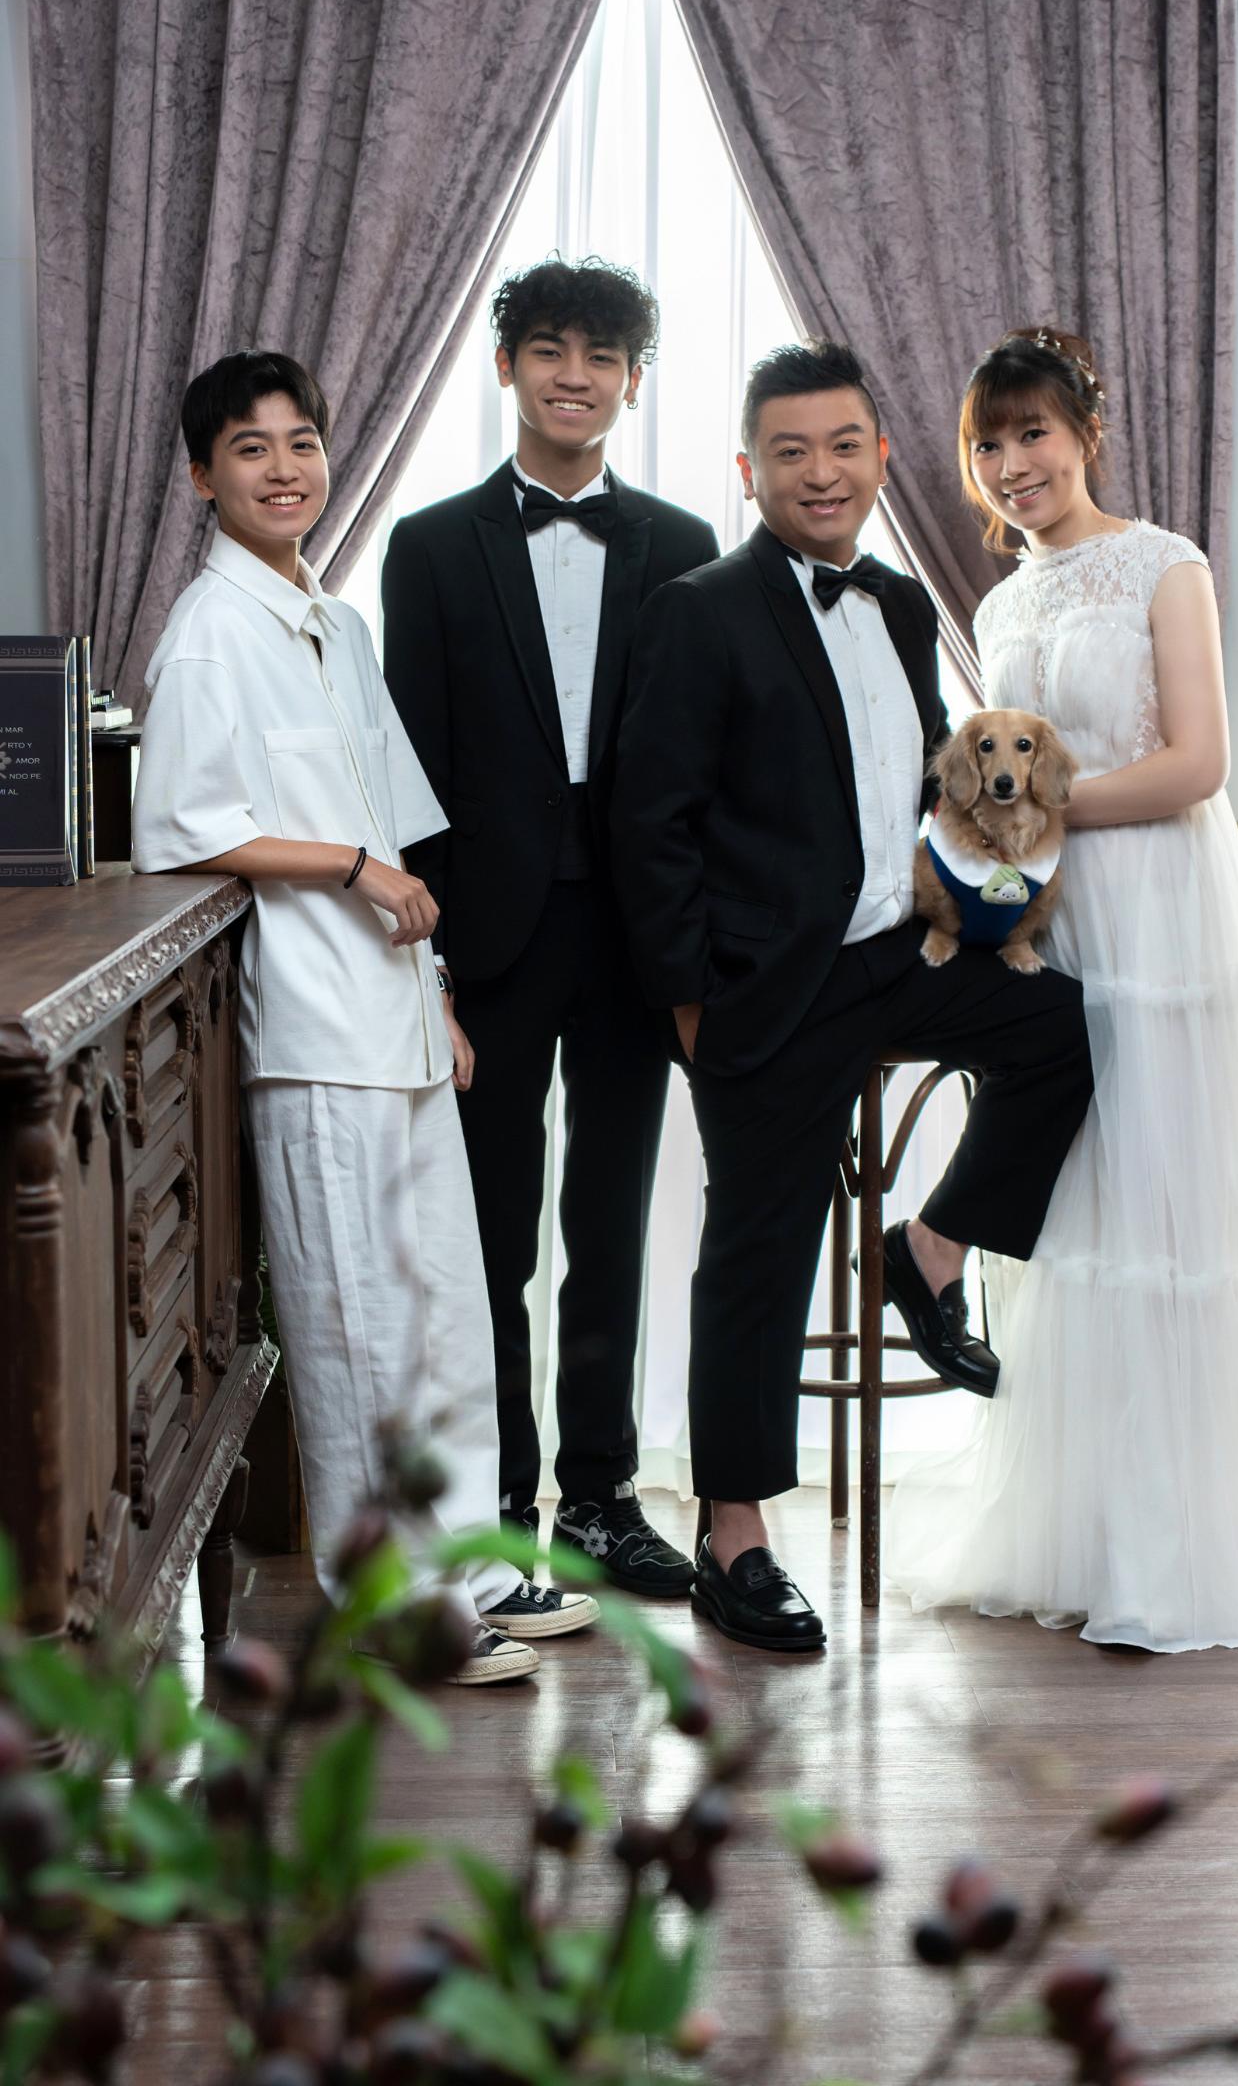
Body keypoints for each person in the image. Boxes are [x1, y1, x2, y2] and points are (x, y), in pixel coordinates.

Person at [888, 327, 1238, 1649]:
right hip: (1055, 922)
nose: (1012, 464)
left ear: (1085, 436)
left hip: (1166, 911)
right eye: (988, 445)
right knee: (1081, 1209)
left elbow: (1197, 763)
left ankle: (1190, 1548)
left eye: (1033, 434)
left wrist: (1041, 810)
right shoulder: (997, 607)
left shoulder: (1166, 565)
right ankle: (1090, 1532)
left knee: (1176, 1200)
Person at [611, 340, 1095, 1652]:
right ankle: (735, 1539)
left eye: (842, 446)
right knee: (757, 1250)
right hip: (770, 987)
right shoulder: (701, 611)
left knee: (1060, 1028)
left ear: (881, 457)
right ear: (749, 470)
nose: (820, 473)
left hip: (901, 951)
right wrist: (692, 1004)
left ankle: (924, 1255)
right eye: (791, 451)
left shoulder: (896, 601)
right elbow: (649, 826)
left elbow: (923, 781)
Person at [132, 349, 600, 1685]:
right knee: (355, 1329)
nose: (285, 469)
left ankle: (472, 1572)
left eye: (303, 443)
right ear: (201, 477)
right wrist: (347, 870)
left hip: (395, 1021)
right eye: (251, 449)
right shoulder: (209, 633)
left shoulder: (333, 623)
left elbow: (390, 825)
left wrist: (437, 994)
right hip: (312, 1034)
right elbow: (185, 828)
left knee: (443, 1314)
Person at [382, 261, 719, 1597]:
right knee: (491, 1235)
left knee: (613, 1227)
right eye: (549, 350)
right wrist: (429, 968)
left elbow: (704, 766)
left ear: (633, 381)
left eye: (602, 356)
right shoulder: (430, 546)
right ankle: (500, 1505)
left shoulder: (686, 544)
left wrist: (698, 946)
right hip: (490, 939)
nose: (575, 376)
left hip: (636, 940)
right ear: (507, 364)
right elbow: (409, 765)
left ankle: (601, 1500)